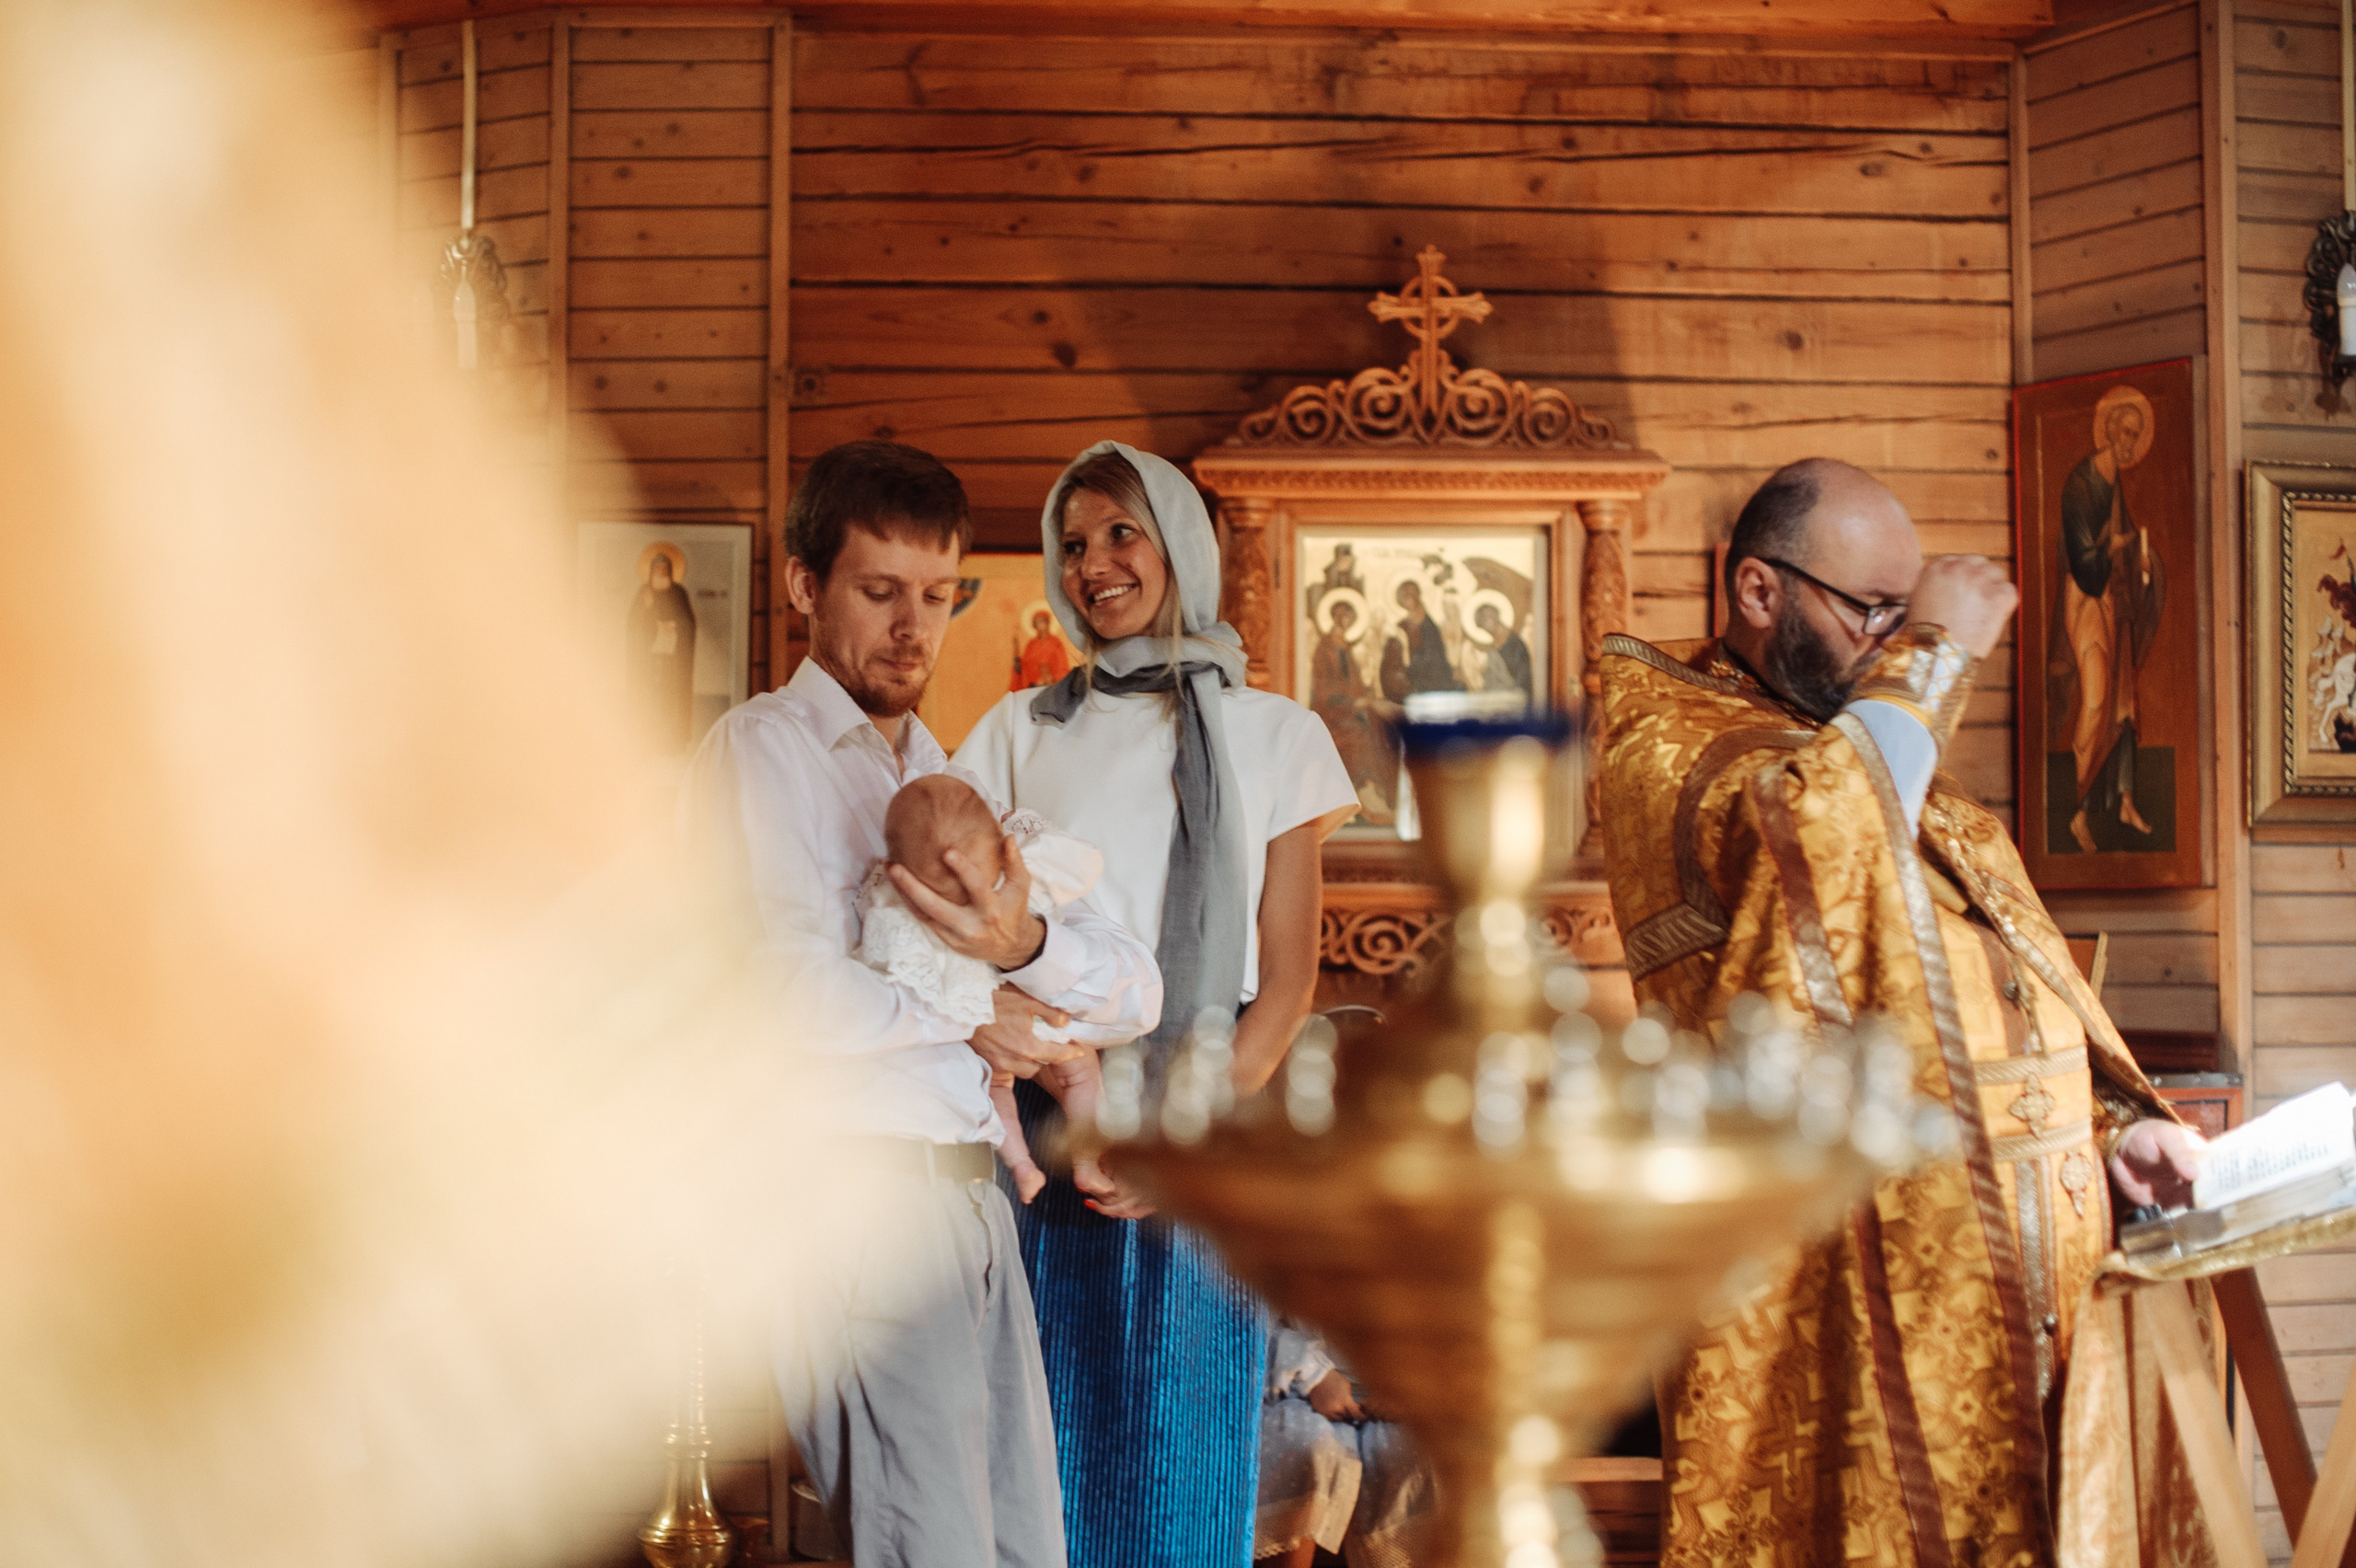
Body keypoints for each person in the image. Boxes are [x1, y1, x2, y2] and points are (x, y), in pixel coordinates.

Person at [1594, 457, 2215, 1566]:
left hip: (2027, 1272)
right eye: (1873, 610)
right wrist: (1936, 652)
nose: (1892, 639)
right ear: (1757, 592)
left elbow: (1997, 972)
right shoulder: (1674, 746)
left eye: (1903, 613)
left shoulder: (1860, 737)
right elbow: (1811, 847)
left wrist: (2117, 1132)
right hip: (1845, 1285)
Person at [686, 440, 1163, 1568]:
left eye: (938, 597)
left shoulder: (942, 778)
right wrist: (982, 1011)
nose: (914, 629)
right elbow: (781, 1001)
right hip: (859, 1207)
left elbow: (1130, 987)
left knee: (1020, 1552)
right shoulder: (766, 753)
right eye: (880, 592)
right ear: (807, 587)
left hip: (971, 1209)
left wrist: (1024, 949)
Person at [955, 441, 1360, 1568]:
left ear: (1179, 540)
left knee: (1183, 1466)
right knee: (1042, 1461)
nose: (1095, 564)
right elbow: (967, 941)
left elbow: (1284, 984)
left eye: (1121, 533)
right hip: (1047, 1122)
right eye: (1073, 544)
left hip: (1205, 1126)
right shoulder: (1014, 733)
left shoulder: (1281, 737)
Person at [859, 773, 1118, 1203]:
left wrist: (969, 1010)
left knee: (995, 1089)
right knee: (1081, 1070)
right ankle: (1088, 1162)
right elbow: (1085, 862)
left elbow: (882, 961)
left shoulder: (890, 904)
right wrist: (1023, 833)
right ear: (999, 846)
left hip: (965, 1030)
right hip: (1021, 1007)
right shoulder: (1017, 883)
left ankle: (1021, 1166)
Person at [2057, 388, 2163, 852]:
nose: (2129, 443)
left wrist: (2145, 561)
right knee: (2096, 700)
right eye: (2124, 433)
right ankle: (2077, 810)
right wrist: (2116, 549)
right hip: (2086, 596)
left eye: (2136, 437)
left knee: (2124, 705)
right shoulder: (2081, 484)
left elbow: (2127, 539)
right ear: (2109, 432)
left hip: (2113, 598)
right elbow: (2084, 558)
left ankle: (2123, 800)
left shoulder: (2116, 481)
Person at [1254, 1319, 1433, 1568]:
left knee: (1426, 1459)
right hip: (1292, 1384)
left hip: (1409, 1393)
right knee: (1309, 1449)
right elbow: (1251, 1314)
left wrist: (1417, 1392)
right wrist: (1315, 1375)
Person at [1307, 597, 1396, 824]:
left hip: (1350, 711)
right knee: (1358, 736)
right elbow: (1324, 690)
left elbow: (1354, 682)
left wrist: (1368, 696)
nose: (1345, 621)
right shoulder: (1324, 649)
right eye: (1342, 615)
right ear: (1334, 616)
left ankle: (1373, 791)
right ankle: (1361, 793)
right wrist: (1353, 703)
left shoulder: (1345, 649)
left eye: (1350, 617)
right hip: (1331, 714)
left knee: (1380, 731)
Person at [626, 547, 697, 748]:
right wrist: (648, 612)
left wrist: (675, 627)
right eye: (657, 569)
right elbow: (633, 625)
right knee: (649, 697)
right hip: (648, 659)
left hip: (673, 660)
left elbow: (689, 623)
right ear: (651, 571)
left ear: (671, 570)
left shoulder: (679, 593)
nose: (661, 572)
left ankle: (673, 741)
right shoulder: (643, 593)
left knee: (671, 698)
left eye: (665, 569)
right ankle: (646, 740)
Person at [1377, 579, 1460, 700]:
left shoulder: (1431, 627)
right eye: (1404, 594)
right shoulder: (1399, 629)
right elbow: (1391, 666)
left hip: (1436, 684)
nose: (1409, 596)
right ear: (1399, 600)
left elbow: (1439, 658)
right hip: (1412, 685)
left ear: (1419, 594)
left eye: (1412, 591)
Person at [1472, 602, 1531, 703]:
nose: (1485, 628)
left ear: (1493, 618)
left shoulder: (1515, 644)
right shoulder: (1492, 649)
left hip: (1514, 703)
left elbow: (1522, 678)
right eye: (1482, 626)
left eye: (1485, 621)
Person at [1016, 607, 1073, 691]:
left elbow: (1062, 665)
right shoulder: (1031, 645)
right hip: (1034, 686)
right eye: (1037, 623)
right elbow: (1026, 666)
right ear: (1034, 626)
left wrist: (1051, 677)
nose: (1040, 625)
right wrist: (1037, 679)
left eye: (1042, 622)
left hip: (1053, 685)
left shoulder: (1055, 642)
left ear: (1047, 623)